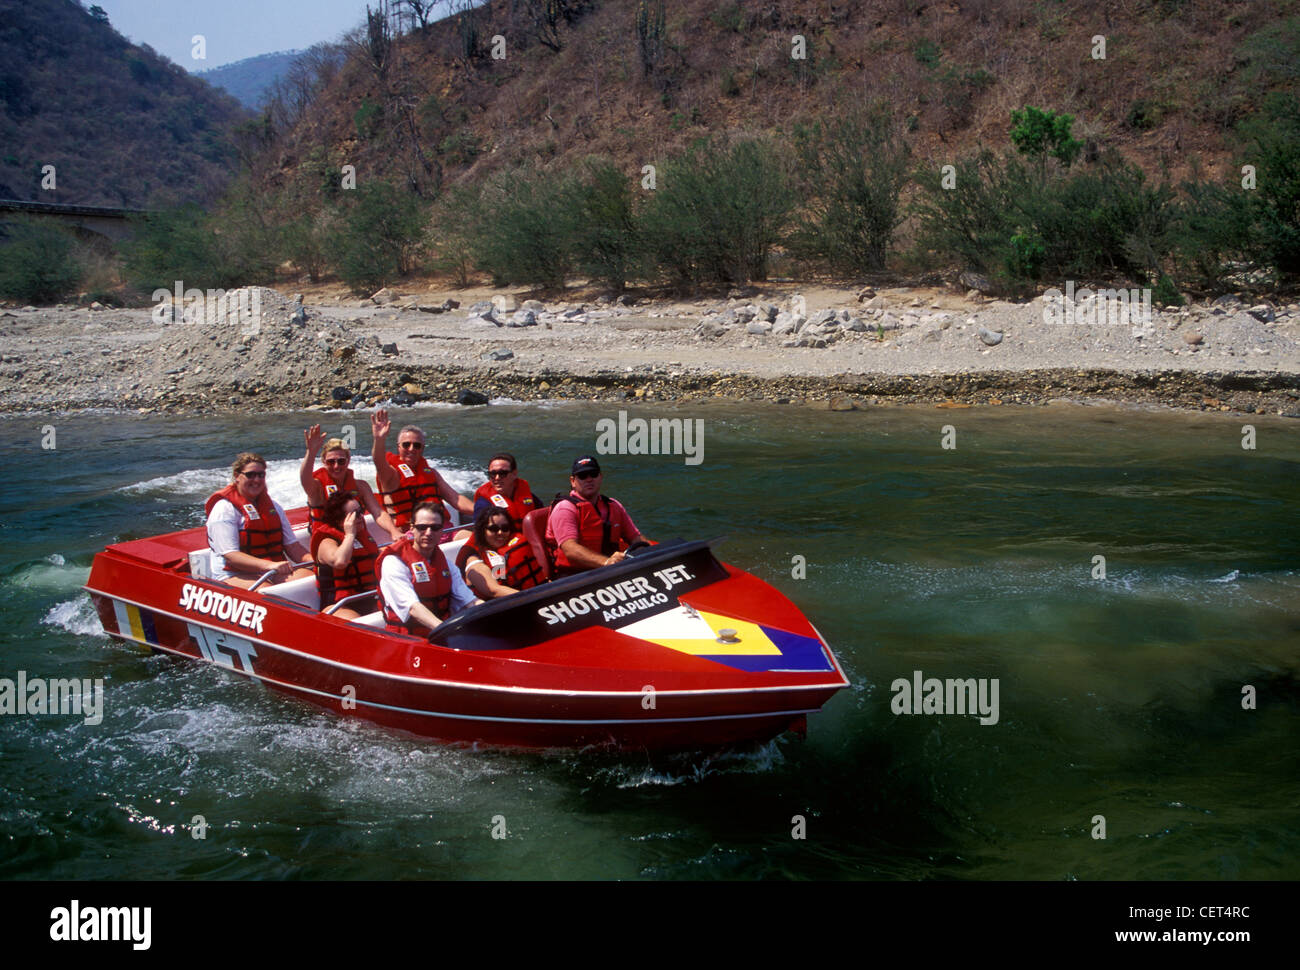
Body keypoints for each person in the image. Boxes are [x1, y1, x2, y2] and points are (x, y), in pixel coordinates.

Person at [205, 452, 312, 590]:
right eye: (250, 475)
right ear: (237, 476)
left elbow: (293, 547)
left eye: (261, 475)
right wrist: (269, 565)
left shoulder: (274, 508)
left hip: (271, 570)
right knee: (265, 590)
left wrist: (316, 562)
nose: (256, 480)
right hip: (233, 574)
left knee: (313, 580)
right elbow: (232, 556)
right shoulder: (224, 510)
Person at [376, 501, 477, 636]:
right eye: (422, 527)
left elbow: (470, 601)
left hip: (441, 634)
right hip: (407, 640)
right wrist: (446, 630)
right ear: (412, 528)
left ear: (442, 530)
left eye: (435, 528)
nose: (428, 533)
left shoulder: (447, 565)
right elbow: (413, 608)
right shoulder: (394, 562)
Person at [370, 408, 473, 531]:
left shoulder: (431, 473)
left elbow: (455, 499)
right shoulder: (391, 474)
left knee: (476, 541)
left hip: (441, 529)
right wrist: (379, 439)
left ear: (422, 449)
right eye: (406, 444)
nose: (411, 449)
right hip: (412, 534)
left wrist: (485, 510)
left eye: (417, 445)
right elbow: (378, 461)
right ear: (398, 447)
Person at [545, 456, 649, 576]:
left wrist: (654, 553)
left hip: (610, 573)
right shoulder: (565, 509)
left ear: (600, 477)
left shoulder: (613, 505)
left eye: (593, 474)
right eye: (583, 476)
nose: (589, 479)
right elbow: (570, 550)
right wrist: (606, 562)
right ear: (573, 481)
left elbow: (636, 539)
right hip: (574, 579)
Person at [300, 425, 403, 541]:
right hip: (329, 541)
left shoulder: (361, 487)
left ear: (348, 461)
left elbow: (378, 513)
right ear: (324, 462)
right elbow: (305, 479)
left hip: (357, 538)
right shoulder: (316, 488)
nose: (336, 466)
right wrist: (311, 452)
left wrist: (393, 531)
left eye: (341, 461)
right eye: (331, 462)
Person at [311, 489, 380, 619]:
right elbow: (340, 562)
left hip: (368, 598)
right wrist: (350, 534)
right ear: (340, 520)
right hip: (339, 606)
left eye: (361, 511)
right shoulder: (326, 542)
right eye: (355, 515)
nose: (361, 517)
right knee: (358, 622)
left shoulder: (362, 538)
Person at [456, 507, 547, 599]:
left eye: (505, 528)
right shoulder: (474, 560)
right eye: (493, 529)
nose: (500, 532)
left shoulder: (503, 552)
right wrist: (534, 597)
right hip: (491, 609)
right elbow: (494, 590)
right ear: (483, 530)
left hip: (524, 600)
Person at [472, 453, 541, 523]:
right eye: (492, 474)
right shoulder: (483, 504)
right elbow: (480, 532)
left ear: (514, 474)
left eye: (502, 473)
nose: (497, 478)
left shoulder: (529, 497)